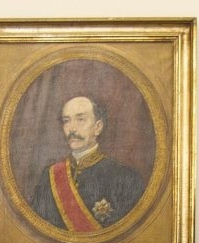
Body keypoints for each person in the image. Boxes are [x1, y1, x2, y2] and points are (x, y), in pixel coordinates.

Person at [29, 95, 145, 232]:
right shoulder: (48, 176)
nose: (71, 128)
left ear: (98, 127)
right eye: (66, 121)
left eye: (80, 120)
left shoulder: (126, 178)